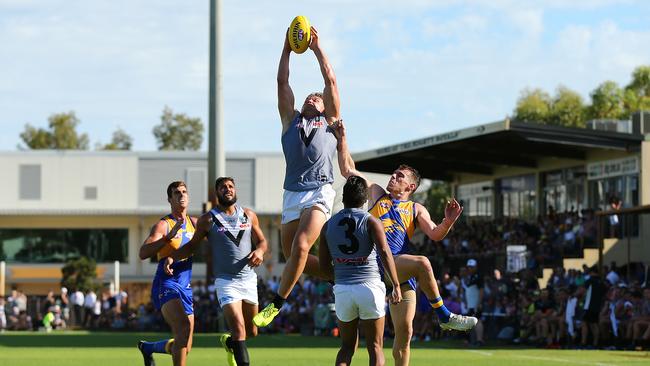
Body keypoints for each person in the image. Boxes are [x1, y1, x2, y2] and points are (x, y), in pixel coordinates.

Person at [335, 122, 477, 366]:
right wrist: (342, 137)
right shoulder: (378, 194)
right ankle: (444, 315)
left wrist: (448, 222)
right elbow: (348, 169)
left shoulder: (415, 208)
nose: (392, 177)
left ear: (410, 186)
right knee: (422, 262)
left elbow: (435, 234)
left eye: (399, 176)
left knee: (405, 335)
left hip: (401, 273)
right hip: (378, 265)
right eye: (393, 174)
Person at [254, 24, 340, 327]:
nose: (310, 99)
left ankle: (276, 304)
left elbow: (329, 79)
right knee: (296, 259)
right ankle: (339, 274)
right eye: (308, 98)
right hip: (292, 192)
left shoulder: (329, 122)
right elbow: (281, 81)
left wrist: (316, 47)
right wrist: (287, 48)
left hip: (319, 191)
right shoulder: (289, 121)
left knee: (302, 247)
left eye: (315, 99)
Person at [166, 177, 267, 366]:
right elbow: (192, 246)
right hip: (226, 281)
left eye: (230, 186)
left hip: (248, 280)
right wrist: (172, 257)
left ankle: (229, 343)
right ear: (216, 193)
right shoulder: (208, 219)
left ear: (235, 190)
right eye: (223, 187)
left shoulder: (249, 215)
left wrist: (260, 250)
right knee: (238, 329)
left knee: (251, 331)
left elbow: (262, 241)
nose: (227, 189)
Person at [319, 176, 402, 366]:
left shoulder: (328, 225)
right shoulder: (371, 221)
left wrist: (338, 279)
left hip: (343, 289)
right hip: (370, 287)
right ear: (365, 199)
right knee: (375, 347)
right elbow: (385, 253)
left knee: (347, 348)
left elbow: (323, 268)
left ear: (344, 198)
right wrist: (395, 284)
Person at [137, 181, 196, 366]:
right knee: (183, 328)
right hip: (166, 284)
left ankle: (149, 348)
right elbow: (143, 253)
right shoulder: (164, 224)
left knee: (185, 345)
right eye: (177, 193)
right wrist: (167, 238)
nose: (182, 195)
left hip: (185, 287)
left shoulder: (195, 223)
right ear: (169, 199)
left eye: (184, 192)